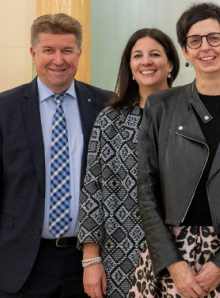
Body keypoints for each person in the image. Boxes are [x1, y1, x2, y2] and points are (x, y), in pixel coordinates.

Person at [130, 2, 220, 298]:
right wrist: (173, 263)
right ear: (185, 51)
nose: (205, 48)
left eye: (214, 38)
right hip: (170, 255)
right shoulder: (160, 106)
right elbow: (146, 189)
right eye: (194, 40)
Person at [0, 13, 112, 298]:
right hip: (20, 262)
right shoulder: (1, 109)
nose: (58, 59)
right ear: (33, 53)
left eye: (67, 50)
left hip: (87, 262)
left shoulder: (105, 105)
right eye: (49, 50)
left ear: (79, 54)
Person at [77, 28, 180, 298]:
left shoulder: (191, 116)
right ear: (130, 67)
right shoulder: (109, 120)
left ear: (170, 64)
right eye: (138, 56)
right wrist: (91, 259)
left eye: (155, 54)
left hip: (182, 254)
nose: (146, 61)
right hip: (120, 257)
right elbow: (92, 190)